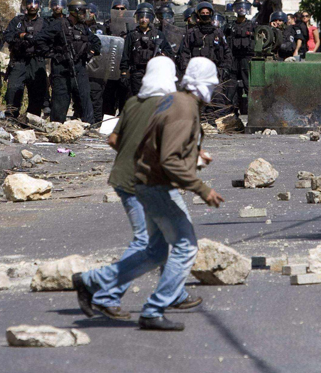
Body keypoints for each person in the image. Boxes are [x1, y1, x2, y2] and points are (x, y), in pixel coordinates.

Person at [73, 57, 224, 331]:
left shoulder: (160, 101)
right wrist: (202, 189)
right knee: (184, 245)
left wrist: (189, 155)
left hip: (140, 180)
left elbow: (138, 141)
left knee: (155, 251)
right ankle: (153, 307)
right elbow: (169, 158)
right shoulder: (180, 106)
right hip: (154, 184)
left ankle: (94, 281)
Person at [87, 57, 185, 319]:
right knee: (146, 240)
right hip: (141, 183)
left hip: (124, 177)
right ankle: (104, 292)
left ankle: (175, 293)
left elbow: (113, 139)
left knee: (163, 235)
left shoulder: (132, 102)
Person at [36, 0, 101, 123]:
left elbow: (96, 42)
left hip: (79, 68)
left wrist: (90, 53)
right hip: (62, 69)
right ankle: (57, 125)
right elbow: (40, 39)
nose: (85, 14)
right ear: (74, 12)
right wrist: (53, 54)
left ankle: (88, 125)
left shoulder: (83, 27)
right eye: (83, 12)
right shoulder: (59, 24)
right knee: (60, 101)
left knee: (84, 98)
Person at [177, 2, 234, 121]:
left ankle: (218, 123)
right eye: (202, 13)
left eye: (207, 13)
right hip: (196, 75)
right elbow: (184, 54)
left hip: (215, 74)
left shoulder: (218, 33)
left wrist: (224, 70)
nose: (205, 15)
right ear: (198, 15)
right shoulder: (191, 33)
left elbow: (227, 53)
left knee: (218, 98)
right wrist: (188, 71)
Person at [4, 0, 47, 119]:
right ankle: (11, 117)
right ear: (25, 5)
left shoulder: (44, 23)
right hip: (19, 60)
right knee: (13, 90)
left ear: (39, 5)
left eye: (35, 3)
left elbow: (50, 39)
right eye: (29, 3)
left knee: (37, 92)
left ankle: (32, 119)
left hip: (36, 61)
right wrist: (20, 36)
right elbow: (7, 36)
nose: (32, 6)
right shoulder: (17, 21)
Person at [120, 4, 174, 97]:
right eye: (141, 17)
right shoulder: (132, 35)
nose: (143, 20)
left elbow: (168, 51)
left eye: (146, 17)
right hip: (137, 72)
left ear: (150, 19)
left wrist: (162, 55)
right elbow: (126, 55)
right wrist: (124, 72)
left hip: (154, 72)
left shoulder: (158, 34)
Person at [226, 0, 255, 105]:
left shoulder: (252, 25)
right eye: (239, 7)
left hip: (246, 58)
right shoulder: (230, 26)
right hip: (233, 58)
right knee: (231, 84)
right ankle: (228, 107)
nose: (241, 9)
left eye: (243, 7)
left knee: (248, 84)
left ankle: (252, 107)